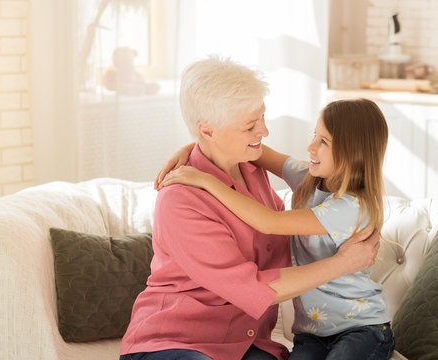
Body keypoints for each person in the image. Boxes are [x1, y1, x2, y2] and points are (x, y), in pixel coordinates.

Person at [119, 56, 380, 360]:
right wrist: (343, 263)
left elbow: (270, 212)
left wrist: (192, 148)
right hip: (176, 340)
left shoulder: (252, 166)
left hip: (245, 342)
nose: (264, 131)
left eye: (262, 118)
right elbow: (252, 286)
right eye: (250, 126)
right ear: (208, 131)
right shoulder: (181, 199)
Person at [159, 98, 395, 360]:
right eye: (314, 135)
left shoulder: (350, 207)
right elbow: (253, 149)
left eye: (323, 142)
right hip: (312, 333)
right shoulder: (310, 178)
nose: (310, 146)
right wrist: (194, 147)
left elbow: (269, 221)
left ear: (353, 152)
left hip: (361, 329)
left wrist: (206, 181)